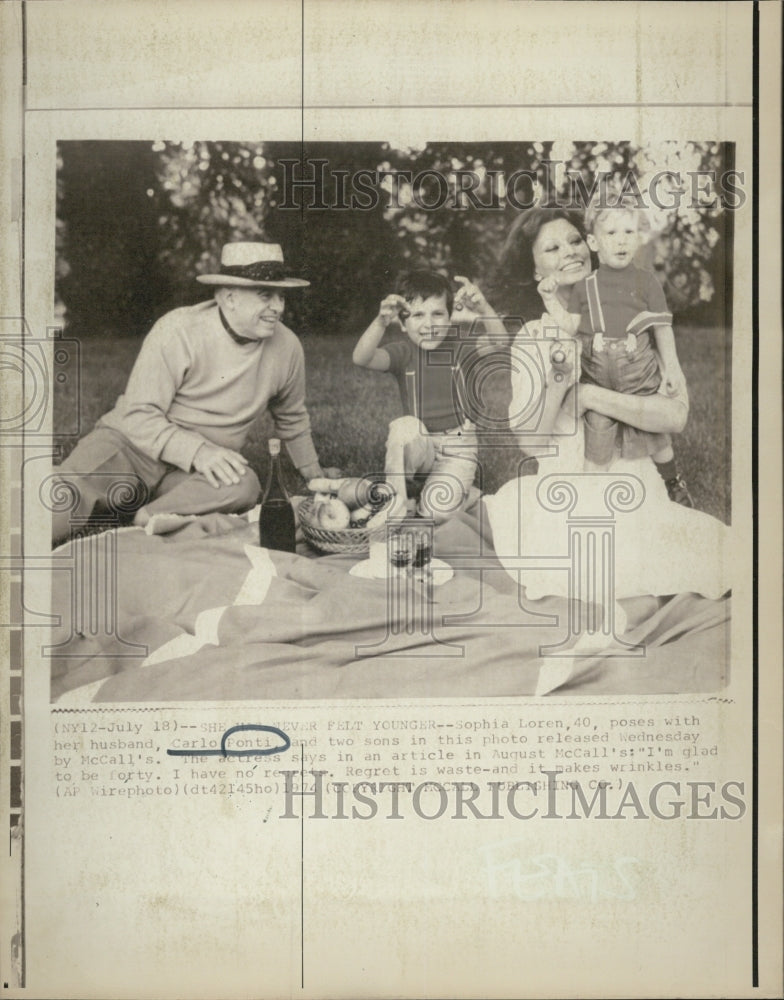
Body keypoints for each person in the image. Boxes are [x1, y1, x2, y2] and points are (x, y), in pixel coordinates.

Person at [481, 207, 729, 631]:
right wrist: (561, 382)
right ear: (534, 266)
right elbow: (530, 442)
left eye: (575, 240)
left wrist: (591, 394)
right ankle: (601, 624)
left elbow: (675, 416)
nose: (569, 253)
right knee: (597, 575)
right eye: (552, 248)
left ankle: (614, 617)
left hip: (632, 478)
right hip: (565, 485)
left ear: (592, 244)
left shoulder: (637, 318)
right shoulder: (535, 337)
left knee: (691, 569)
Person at [52, 242, 326, 546]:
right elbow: (138, 414)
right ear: (229, 298)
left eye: (281, 295)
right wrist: (197, 451)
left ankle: (146, 517)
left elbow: (292, 417)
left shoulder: (287, 348)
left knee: (245, 485)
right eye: (266, 295)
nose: (279, 307)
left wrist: (314, 473)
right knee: (67, 492)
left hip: (194, 471)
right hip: (133, 447)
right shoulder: (178, 329)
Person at [537, 195, 693, 504]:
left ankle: (673, 481)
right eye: (611, 234)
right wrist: (550, 301)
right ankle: (591, 493)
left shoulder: (646, 281)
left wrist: (672, 368)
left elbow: (662, 328)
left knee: (657, 437)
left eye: (629, 232)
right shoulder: (586, 286)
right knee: (598, 431)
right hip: (598, 370)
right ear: (594, 242)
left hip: (638, 367)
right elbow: (570, 325)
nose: (621, 241)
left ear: (638, 237)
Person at [352, 269, 495, 523]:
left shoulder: (460, 345)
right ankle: (394, 503)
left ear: (450, 317)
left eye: (437, 313)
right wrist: (380, 322)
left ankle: (460, 494)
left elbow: (501, 342)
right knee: (404, 428)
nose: (429, 324)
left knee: (435, 513)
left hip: (457, 448)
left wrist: (483, 308)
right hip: (422, 445)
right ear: (403, 325)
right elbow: (361, 358)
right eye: (418, 315)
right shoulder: (403, 353)